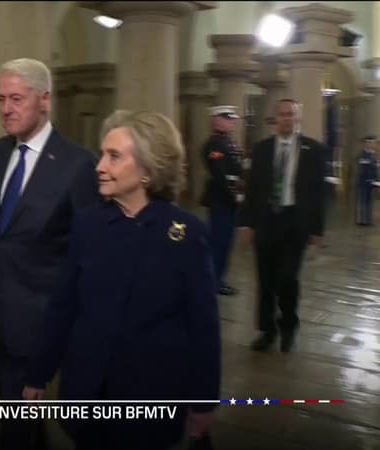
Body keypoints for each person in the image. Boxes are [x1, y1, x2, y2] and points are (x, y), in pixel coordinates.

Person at [23, 110, 221, 450]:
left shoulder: (187, 234)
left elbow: (203, 327)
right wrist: (38, 373)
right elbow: (63, 306)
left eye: (114, 156)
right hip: (87, 392)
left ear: (148, 169)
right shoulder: (88, 224)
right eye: (102, 154)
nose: (100, 166)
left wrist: (202, 402)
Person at [0, 58, 98, 449]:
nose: (6, 109)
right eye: (1, 99)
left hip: (39, 321)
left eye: (16, 99)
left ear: (44, 100)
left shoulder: (78, 165)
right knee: (17, 410)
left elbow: (89, 253)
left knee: (15, 417)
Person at [238, 98, 327, 353]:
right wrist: (245, 222)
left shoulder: (313, 149)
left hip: (295, 221)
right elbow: (252, 188)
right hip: (267, 220)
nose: (287, 118)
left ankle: (288, 324)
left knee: (287, 277)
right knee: (265, 280)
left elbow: (319, 193)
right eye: (282, 114)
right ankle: (266, 330)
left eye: (291, 114)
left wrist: (317, 229)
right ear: (275, 118)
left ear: (298, 118)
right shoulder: (262, 149)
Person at [200, 105, 242, 296]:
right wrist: (236, 194)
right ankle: (213, 281)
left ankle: (218, 279)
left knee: (225, 243)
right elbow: (220, 174)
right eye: (227, 118)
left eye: (232, 118)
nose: (232, 121)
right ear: (216, 120)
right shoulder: (215, 144)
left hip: (228, 201)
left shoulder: (227, 142)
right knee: (218, 242)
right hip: (221, 199)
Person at [355, 135, 378, 226]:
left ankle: (368, 220)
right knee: (363, 201)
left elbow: (375, 169)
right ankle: (362, 220)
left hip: (371, 182)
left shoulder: (373, 155)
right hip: (363, 182)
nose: (372, 144)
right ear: (366, 143)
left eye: (373, 143)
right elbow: (363, 168)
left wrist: (375, 181)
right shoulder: (362, 154)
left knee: (369, 202)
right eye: (370, 142)